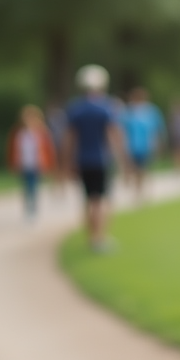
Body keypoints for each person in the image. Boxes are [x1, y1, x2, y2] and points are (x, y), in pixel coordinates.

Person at [65, 65, 126, 252]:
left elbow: (69, 140)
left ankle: (91, 237)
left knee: (87, 199)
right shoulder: (105, 108)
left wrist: (66, 164)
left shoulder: (76, 109)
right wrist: (123, 161)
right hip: (100, 160)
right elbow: (113, 136)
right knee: (99, 200)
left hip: (82, 161)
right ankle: (99, 239)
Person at [6, 105, 57, 220]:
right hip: (23, 164)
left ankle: (33, 208)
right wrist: (13, 164)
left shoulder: (42, 132)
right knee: (26, 187)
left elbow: (49, 149)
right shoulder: (18, 132)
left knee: (33, 186)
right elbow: (12, 149)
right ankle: (28, 207)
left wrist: (49, 164)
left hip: (36, 164)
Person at [121, 87, 166, 199]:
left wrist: (159, 143)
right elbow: (123, 129)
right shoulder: (129, 112)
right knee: (135, 169)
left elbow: (157, 129)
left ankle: (142, 190)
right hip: (132, 146)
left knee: (144, 168)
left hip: (146, 146)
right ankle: (137, 189)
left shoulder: (151, 111)